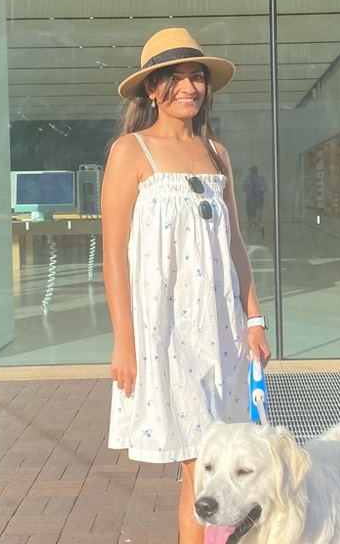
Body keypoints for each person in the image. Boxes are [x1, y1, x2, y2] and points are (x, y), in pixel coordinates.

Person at [101, 27, 271, 544]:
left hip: (219, 334)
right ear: (152, 90)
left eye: (196, 77)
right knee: (199, 471)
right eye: (175, 79)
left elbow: (236, 244)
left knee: (217, 469)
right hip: (165, 336)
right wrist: (124, 340)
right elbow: (112, 252)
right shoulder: (131, 152)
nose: (189, 87)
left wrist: (255, 318)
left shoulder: (216, 153)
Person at [241, 165, 267, 236]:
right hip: (258, 199)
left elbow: (244, 187)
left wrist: (251, 193)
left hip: (251, 199)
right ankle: (260, 227)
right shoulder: (261, 179)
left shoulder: (248, 179)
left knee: (250, 215)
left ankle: (251, 228)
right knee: (259, 214)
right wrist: (259, 192)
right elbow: (264, 188)